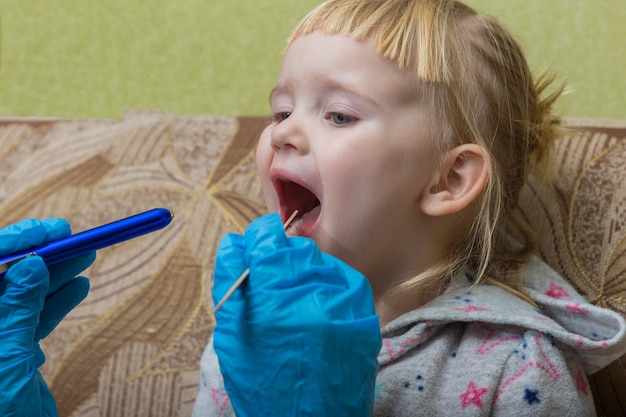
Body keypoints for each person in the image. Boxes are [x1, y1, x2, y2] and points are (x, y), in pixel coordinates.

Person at [1, 1, 625, 416]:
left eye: (338, 114)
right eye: (281, 110)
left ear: (448, 179)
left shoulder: (517, 365)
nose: (283, 134)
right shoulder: (244, 332)